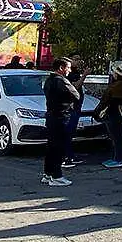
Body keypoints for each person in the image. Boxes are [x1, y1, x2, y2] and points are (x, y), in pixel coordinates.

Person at [42, 57, 78, 187]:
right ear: (61, 68)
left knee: (51, 146)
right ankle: (56, 176)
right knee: (58, 147)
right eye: (68, 67)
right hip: (61, 117)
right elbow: (76, 95)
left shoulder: (49, 80)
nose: (69, 70)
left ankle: (48, 173)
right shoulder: (61, 81)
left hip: (51, 116)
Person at [97, 61, 122, 169]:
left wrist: (100, 110)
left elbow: (112, 100)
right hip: (115, 113)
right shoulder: (121, 84)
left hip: (115, 114)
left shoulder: (120, 85)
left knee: (116, 137)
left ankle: (118, 159)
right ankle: (116, 157)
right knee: (115, 137)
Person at [62, 59, 88, 168]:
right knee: (67, 133)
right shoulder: (70, 75)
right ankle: (66, 157)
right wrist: (85, 75)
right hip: (71, 108)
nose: (79, 61)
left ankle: (70, 155)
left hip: (76, 107)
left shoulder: (75, 73)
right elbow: (75, 87)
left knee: (71, 133)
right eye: (76, 59)